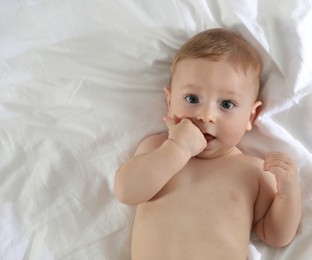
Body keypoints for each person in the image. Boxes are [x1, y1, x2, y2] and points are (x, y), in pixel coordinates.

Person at [114, 28, 301, 260]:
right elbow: (126, 192)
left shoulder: (253, 171)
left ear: (251, 117)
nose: (206, 115)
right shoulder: (157, 149)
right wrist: (178, 149)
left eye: (227, 104)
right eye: (192, 99)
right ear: (170, 101)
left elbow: (275, 236)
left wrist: (288, 194)